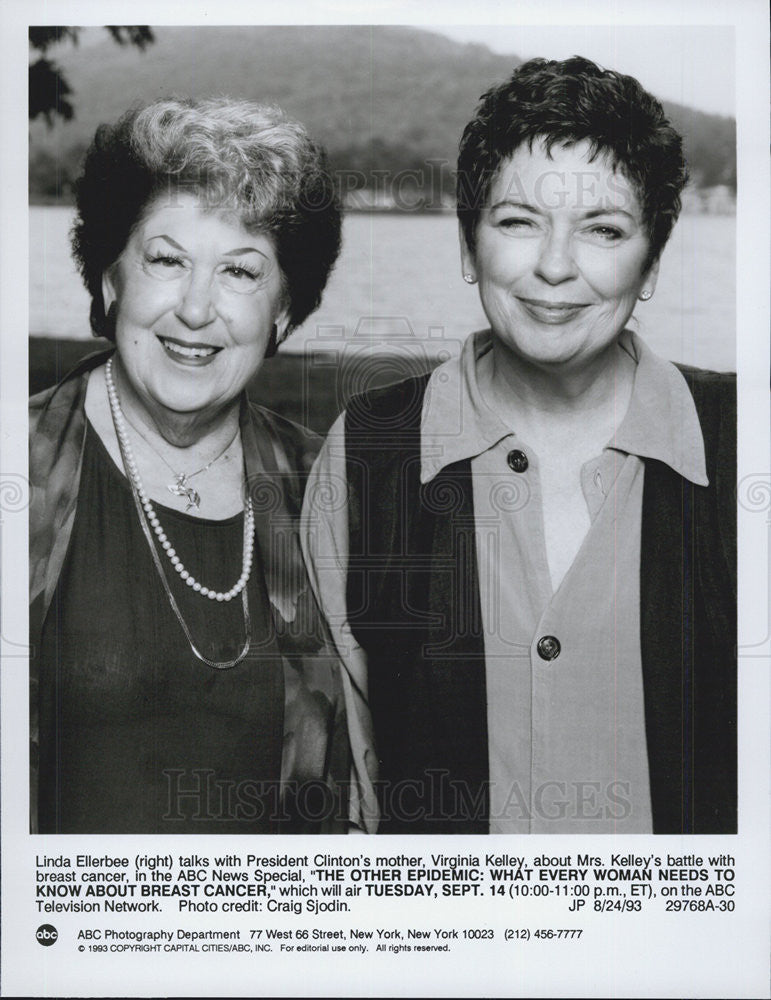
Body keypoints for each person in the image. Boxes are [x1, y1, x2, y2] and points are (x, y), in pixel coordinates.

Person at [302, 57, 736, 834]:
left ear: (652, 266)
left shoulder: (746, 445)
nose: (555, 266)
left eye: (601, 229)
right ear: (468, 249)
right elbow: (355, 789)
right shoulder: (366, 456)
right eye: (516, 221)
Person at [29, 97, 362, 834]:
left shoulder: (329, 487)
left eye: (241, 272)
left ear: (282, 310)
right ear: (112, 280)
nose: (196, 309)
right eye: (167, 260)